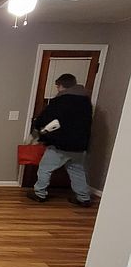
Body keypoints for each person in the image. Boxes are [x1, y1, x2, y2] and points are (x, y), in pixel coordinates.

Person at [27, 73, 93, 207]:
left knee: (45, 168)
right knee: (77, 170)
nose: (57, 89)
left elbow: (45, 119)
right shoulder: (86, 102)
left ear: (61, 85)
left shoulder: (60, 101)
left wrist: (37, 133)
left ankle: (39, 194)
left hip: (61, 144)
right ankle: (84, 198)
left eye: (57, 86)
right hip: (80, 145)